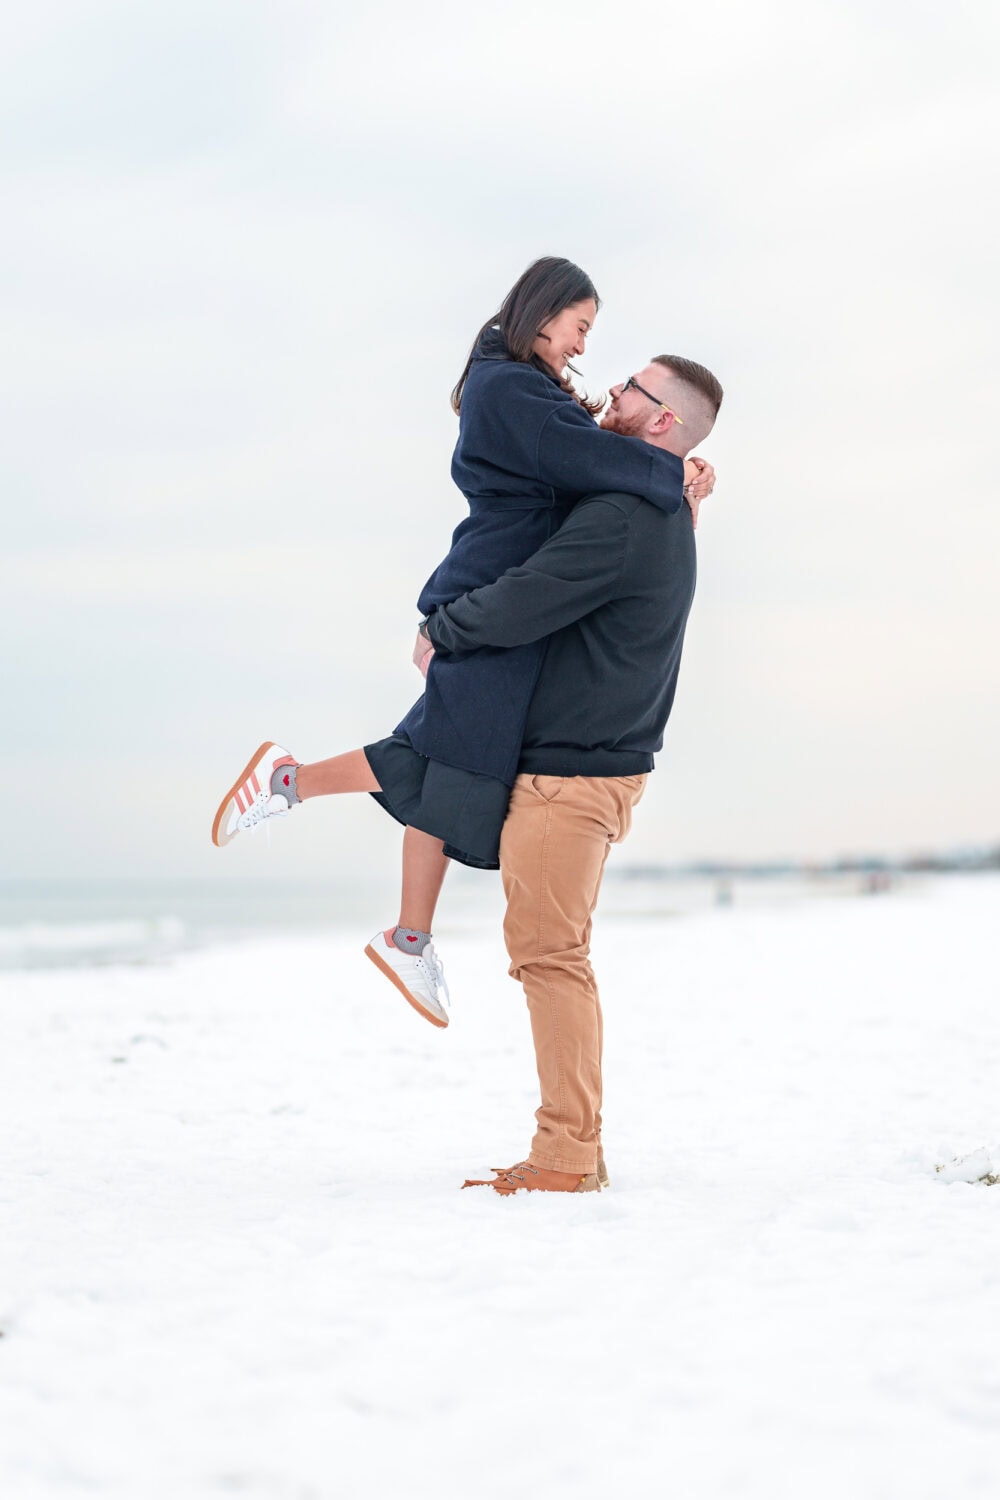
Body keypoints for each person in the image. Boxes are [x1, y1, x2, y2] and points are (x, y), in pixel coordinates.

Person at [211, 259, 715, 1028]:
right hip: (487, 594)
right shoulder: (506, 387)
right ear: (543, 315)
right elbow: (589, 461)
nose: (586, 350)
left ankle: (394, 919)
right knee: (455, 758)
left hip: (500, 599)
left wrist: (677, 480)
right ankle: (307, 805)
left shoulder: (533, 390)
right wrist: (667, 468)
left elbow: (601, 469)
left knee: (450, 756)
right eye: (580, 327)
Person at [413, 354, 724, 1195]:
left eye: (632, 388)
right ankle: (576, 1147)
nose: (613, 392)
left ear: (663, 421)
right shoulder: (655, 506)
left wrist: (443, 628)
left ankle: (564, 1157)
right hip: (595, 773)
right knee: (557, 956)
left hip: (569, 781)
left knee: (550, 959)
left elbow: (528, 594)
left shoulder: (630, 512)